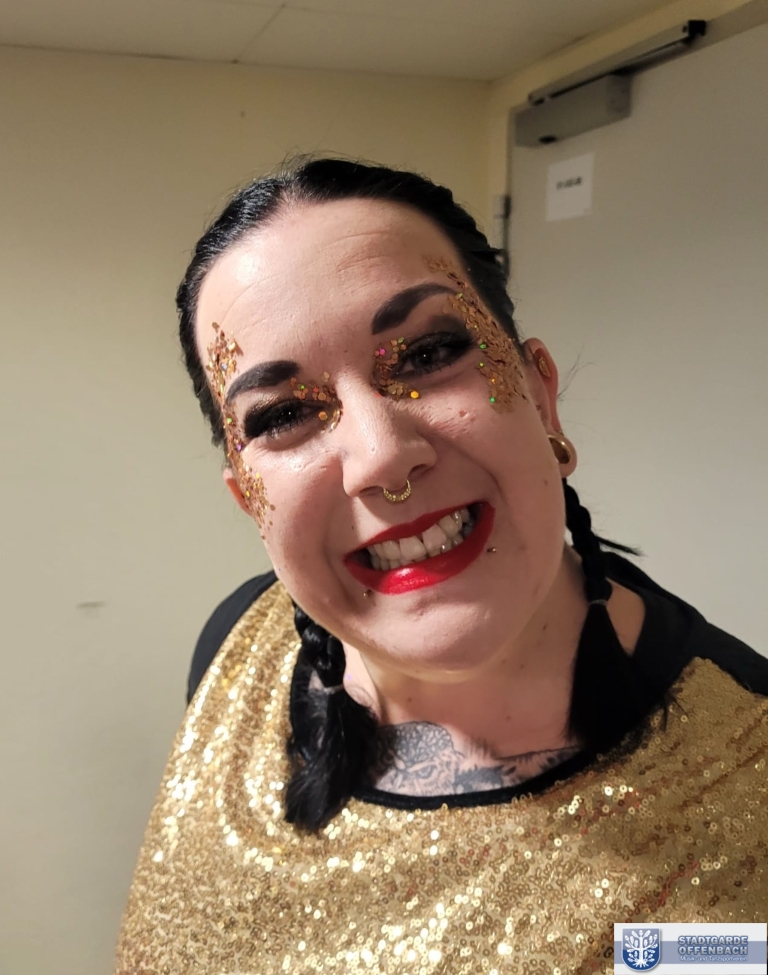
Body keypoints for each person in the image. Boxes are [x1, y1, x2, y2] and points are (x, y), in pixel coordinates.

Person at [115, 159, 768, 974]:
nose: (381, 457)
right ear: (249, 498)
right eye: (282, 414)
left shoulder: (746, 779)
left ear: (541, 393)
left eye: (427, 353)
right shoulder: (234, 650)